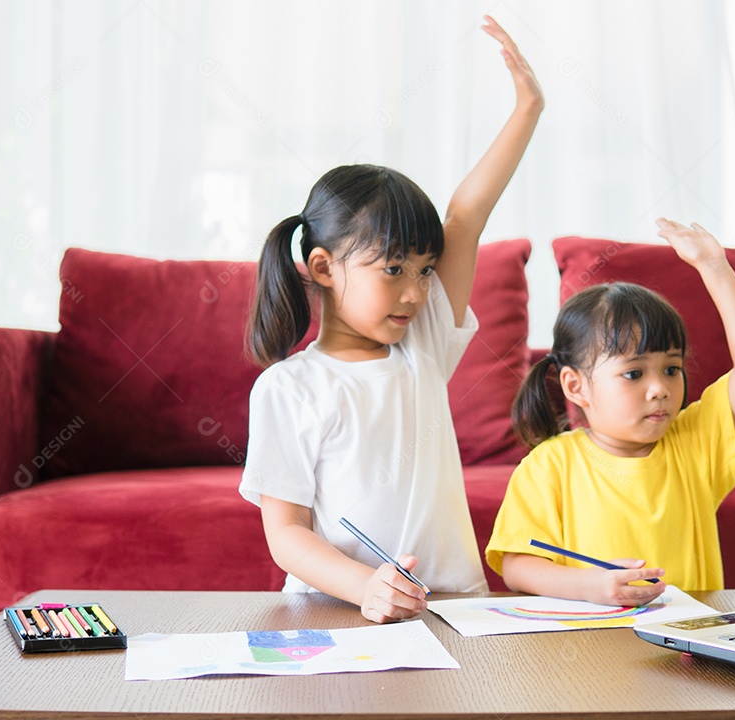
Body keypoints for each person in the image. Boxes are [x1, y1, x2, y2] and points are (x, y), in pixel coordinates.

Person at [239, 16, 543, 624]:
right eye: (394, 269)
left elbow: (465, 216)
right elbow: (287, 534)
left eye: (425, 270)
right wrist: (365, 587)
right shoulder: (288, 388)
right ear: (323, 267)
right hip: (338, 609)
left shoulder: (422, 345)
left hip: (451, 605)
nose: (415, 292)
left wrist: (527, 109)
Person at [485, 219, 735, 607]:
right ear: (576, 386)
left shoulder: (695, 441)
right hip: (594, 638)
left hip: (687, 636)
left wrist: (715, 267)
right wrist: (590, 586)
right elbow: (517, 565)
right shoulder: (548, 466)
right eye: (634, 374)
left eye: (671, 368)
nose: (660, 389)